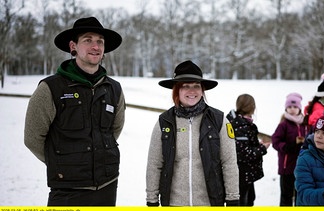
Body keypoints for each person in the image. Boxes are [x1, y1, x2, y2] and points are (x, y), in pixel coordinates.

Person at [24, 17, 126, 206]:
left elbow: (113, 132)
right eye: (88, 40)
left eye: (100, 42)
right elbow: (32, 138)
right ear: (73, 46)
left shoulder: (114, 89)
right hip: (67, 190)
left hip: (108, 185)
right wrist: (64, 162)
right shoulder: (50, 88)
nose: (95, 46)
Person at [145, 60, 240, 206]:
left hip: (210, 203)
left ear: (202, 90)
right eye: (185, 86)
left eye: (196, 86)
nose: (192, 91)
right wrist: (151, 199)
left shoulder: (219, 120)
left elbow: (229, 162)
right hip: (173, 203)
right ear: (177, 90)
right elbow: (154, 164)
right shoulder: (164, 122)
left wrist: (233, 198)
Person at [226, 94, 270, 206]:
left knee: (250, 198)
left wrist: (256, 145)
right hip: (241, 174)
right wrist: (262, 148)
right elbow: (243, 153)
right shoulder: (240, 126)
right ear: (253, 107)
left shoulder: (241, 123)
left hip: (245, 174)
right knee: (243, 202)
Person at [271, 92, 308, 206]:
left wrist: (304, 142)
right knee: (286, 196)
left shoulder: (305, 124)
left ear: (300, 108)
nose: (292, 109)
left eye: (295, 107)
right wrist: (287, 146)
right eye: (289, 107)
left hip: (302, 167)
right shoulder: (284, 125)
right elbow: (275, 141)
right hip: (287, 167)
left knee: (299, 195)